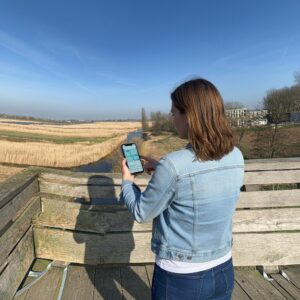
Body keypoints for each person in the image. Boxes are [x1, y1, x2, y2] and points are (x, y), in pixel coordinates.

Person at [120, 78, 244, 300]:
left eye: (174, 112)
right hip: (224, 268)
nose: (172, 118)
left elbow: (141, 212)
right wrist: (161, 169)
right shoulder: (236, 155)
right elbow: (199, 178)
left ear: (190, 116)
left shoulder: (174, 165)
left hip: (181, 277)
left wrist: (127, 180)